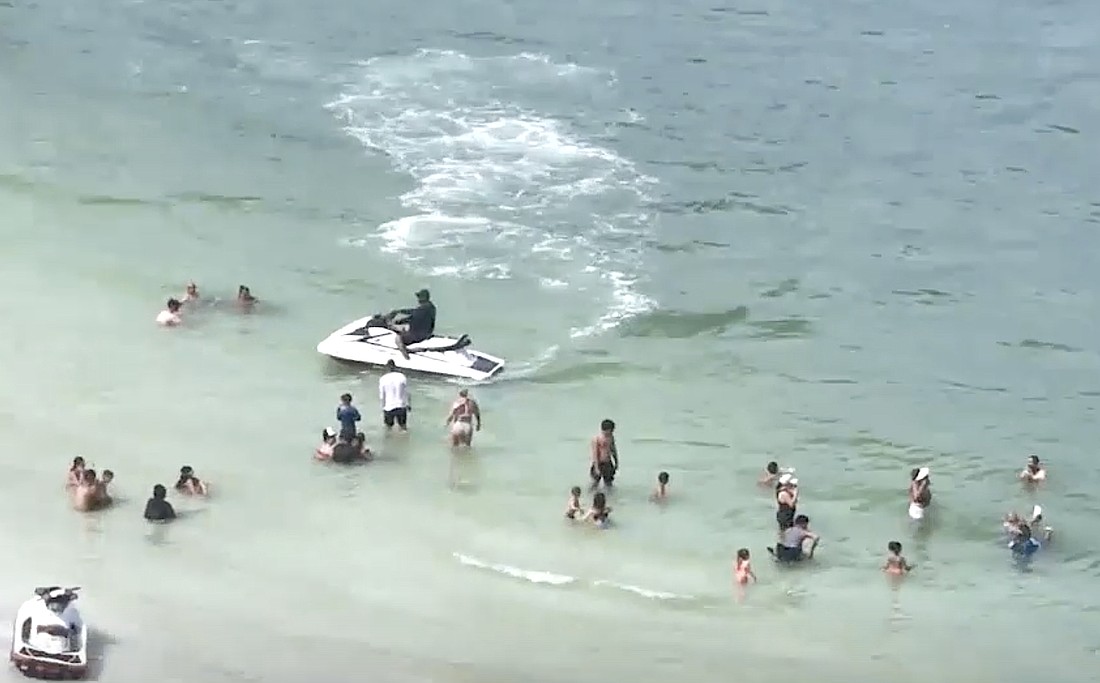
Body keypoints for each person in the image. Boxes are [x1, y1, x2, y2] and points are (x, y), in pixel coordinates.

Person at [388, 289, 436, 359]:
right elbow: (414, 313)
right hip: (427, 333)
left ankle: (405, 355)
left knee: (398, 337)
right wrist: (400, 314)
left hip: (418, 335)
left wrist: (399, 320)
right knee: (403, 329)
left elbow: (412, 316)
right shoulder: (431, 307)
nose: (418, 299)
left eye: (419, 297)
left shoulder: (423, 308)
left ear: (424, 298)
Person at [378, 360, 410, 432]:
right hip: (401, 406)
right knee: (403, 428)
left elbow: (382, 395)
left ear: (387, 367)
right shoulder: (402, 376)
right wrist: (408, 404)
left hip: (389, 407)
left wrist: (383, 407)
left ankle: (389, 441)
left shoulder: (383, 379)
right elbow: (407, 392)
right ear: (395, 366)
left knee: (388, 428)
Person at [589, 419, 619, 490]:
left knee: (609, 483)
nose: (612, 432)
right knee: (595, 483)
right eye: (611, 430)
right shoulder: (597, 439)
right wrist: (596, 467)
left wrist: (616, 461)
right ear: (607, 429)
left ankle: (610, 498)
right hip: (599, 463)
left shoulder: (611, 437)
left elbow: (613, 449)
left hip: (608, 463)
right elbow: (595, 454)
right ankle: (591, 496)